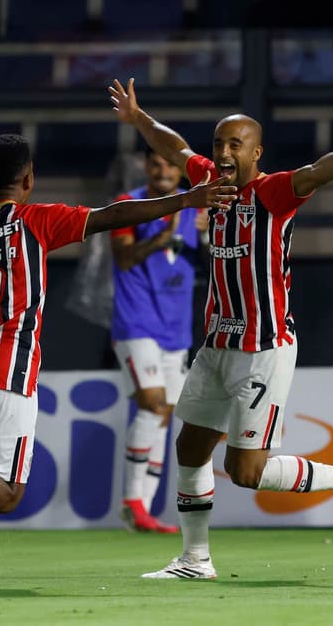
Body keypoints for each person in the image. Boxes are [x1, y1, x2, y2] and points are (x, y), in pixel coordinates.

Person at [0, 133, 237, 587]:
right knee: (6, 494)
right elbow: (114, 216)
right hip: (8, 368)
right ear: (29, 179)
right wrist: (186, 200)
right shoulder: (37, 220)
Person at [108, 77, 333, 579]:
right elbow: (175, 146)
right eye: (219, 144)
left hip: (262, 347)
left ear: (256, 152)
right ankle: (194, 560)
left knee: (246, 472)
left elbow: (316, 172)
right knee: (190, 446)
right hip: (217, 344)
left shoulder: (271, 192)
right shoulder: (210, 182)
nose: (223, 152)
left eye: (235, 145)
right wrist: (139, 119)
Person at [110, 149, 208, 534]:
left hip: (177, 328)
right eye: (156, 163)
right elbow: (123, 260)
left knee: (166, 413)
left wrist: (204, 232)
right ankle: (133, 502)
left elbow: (210, 259)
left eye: (170, 164)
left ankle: (143, 512)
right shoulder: (128, 205)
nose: (163, 170)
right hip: (136, 323)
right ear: (147, 167)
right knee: (151, 405)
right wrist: (162, 237)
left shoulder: (195, 209)